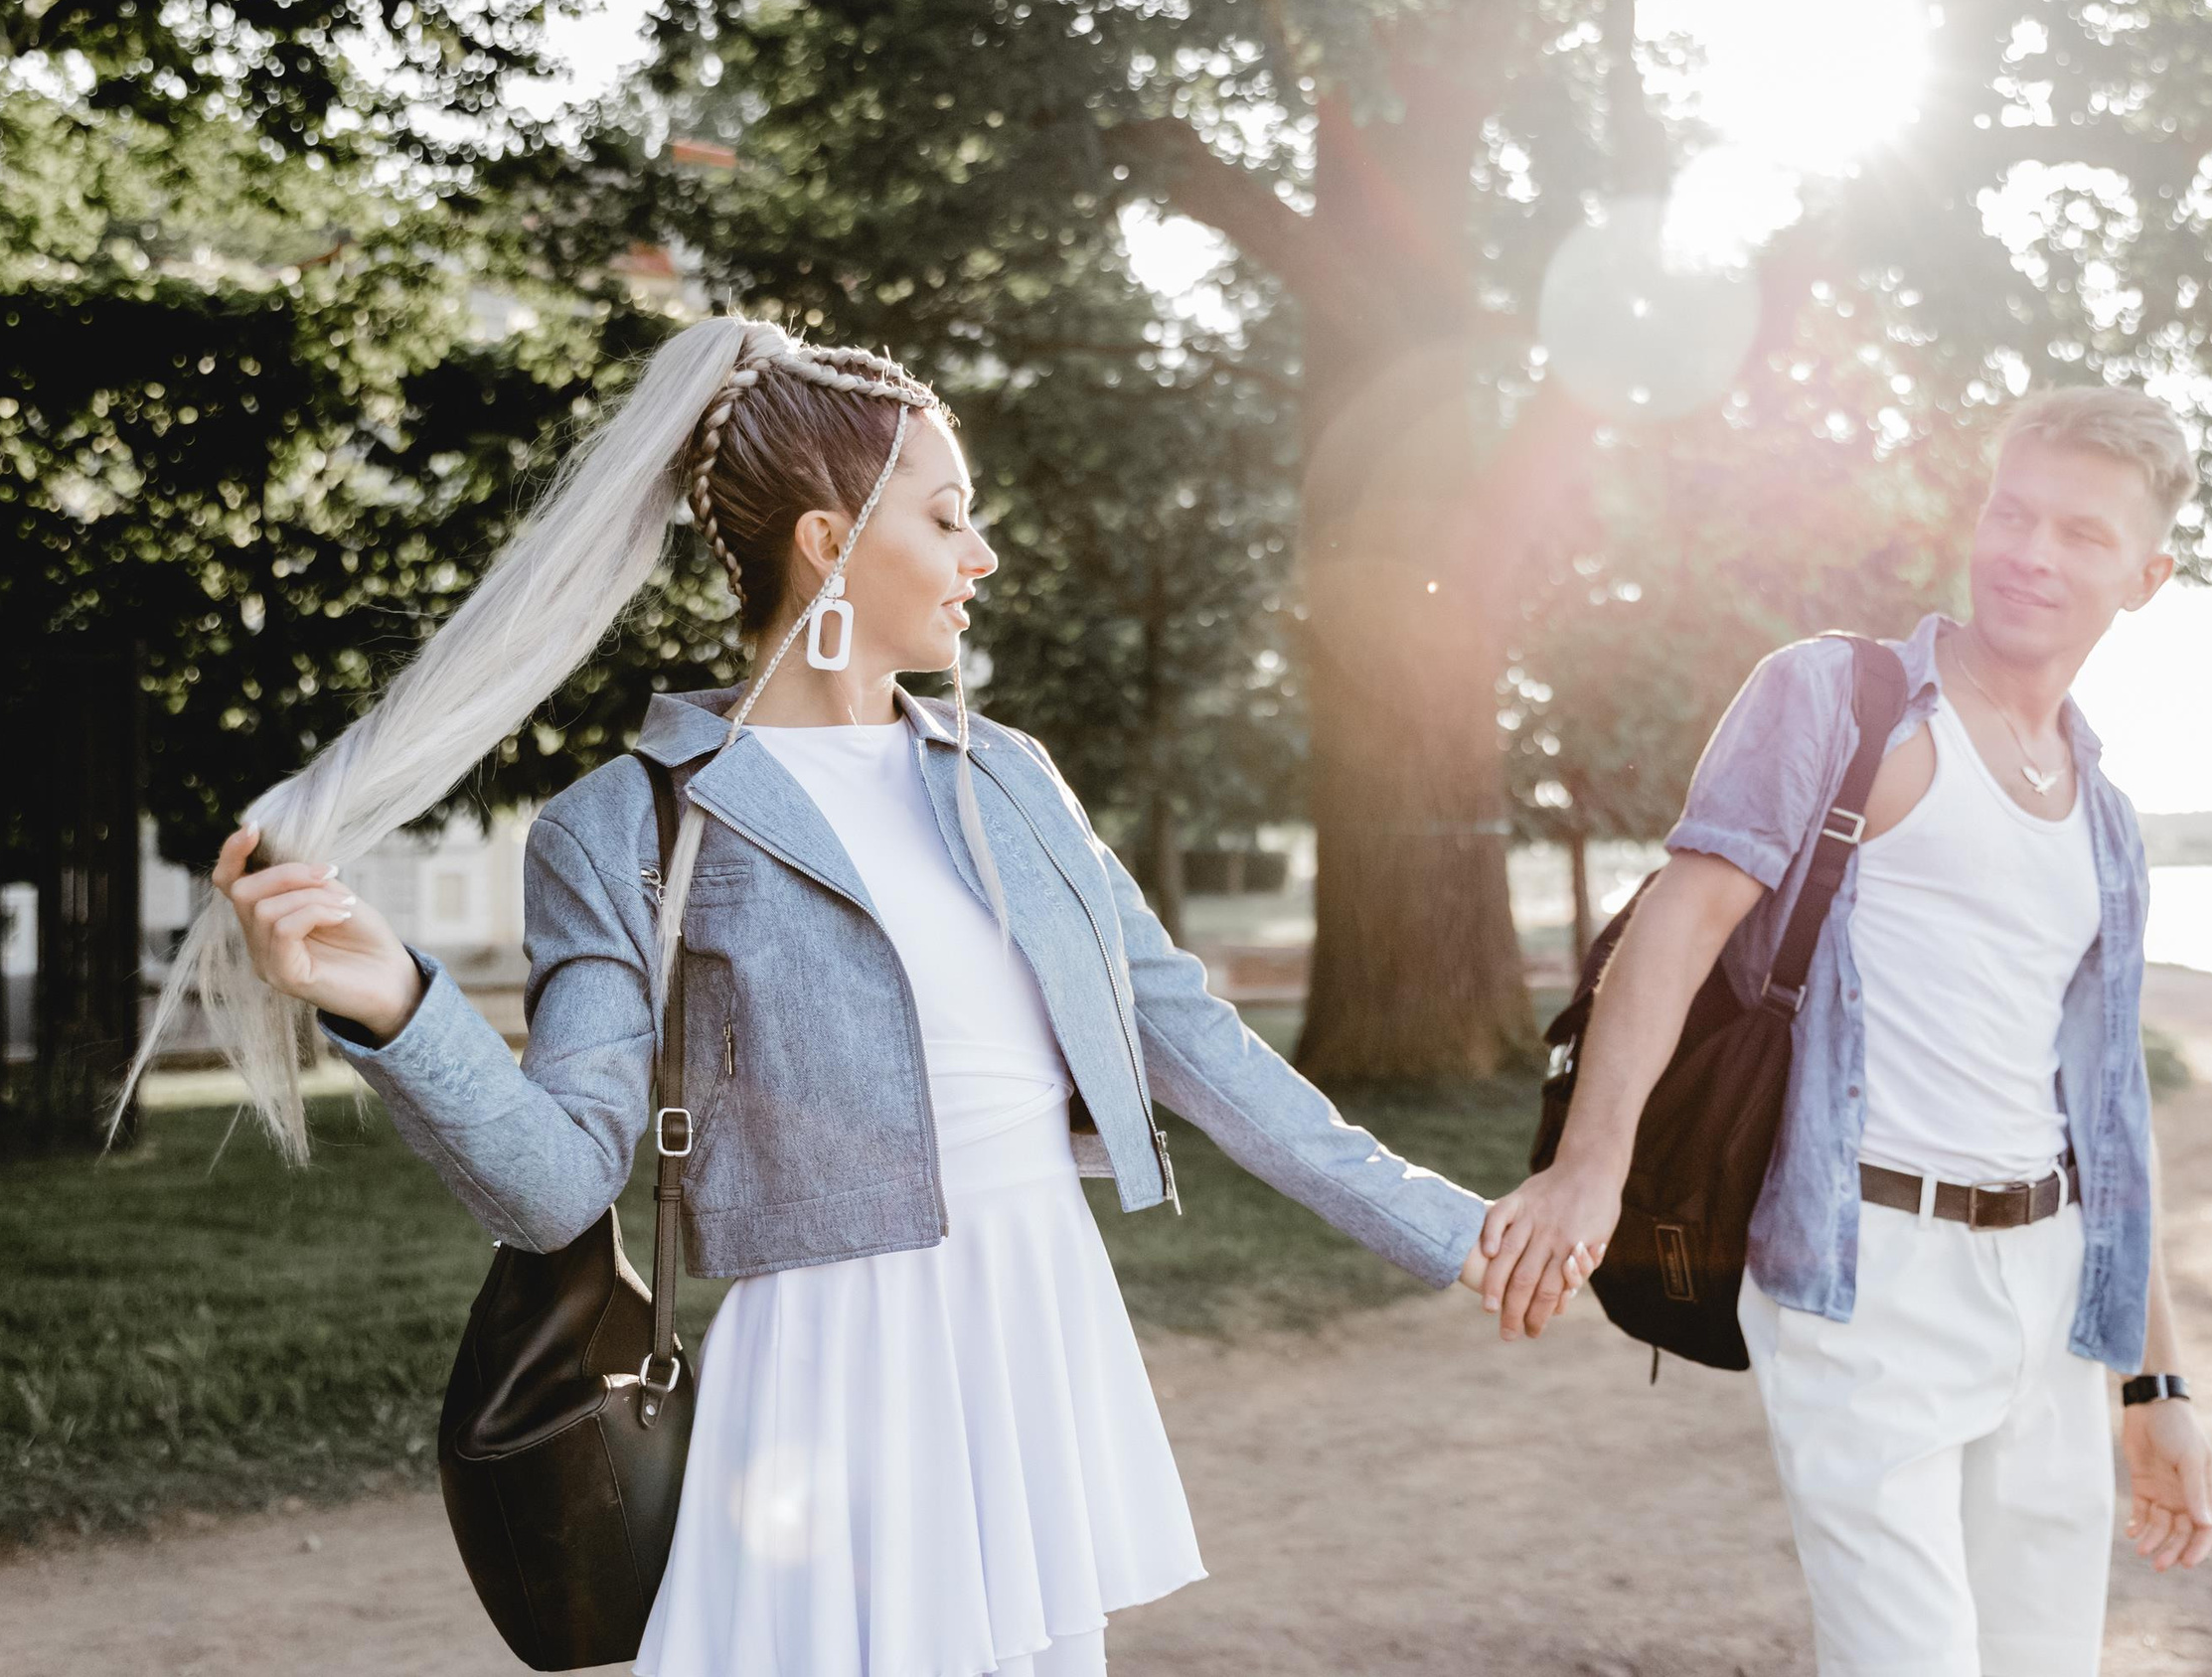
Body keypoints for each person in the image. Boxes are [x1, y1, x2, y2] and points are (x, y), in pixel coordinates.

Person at [145, 316, 1592, 1677]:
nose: (983, 553)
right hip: (833, 1372)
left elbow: (1196, 1046)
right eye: (947, 515)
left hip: (1037, 1328)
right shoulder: (624, 825)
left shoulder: (1011, 779)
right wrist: (393, 999)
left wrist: (1450, 1225)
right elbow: (553, 1187)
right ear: (830, 545)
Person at [1476, 386, 2212, 1675]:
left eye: (2082, 535)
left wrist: (2155, 1385)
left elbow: (2110, 1119)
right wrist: (1588, 1166)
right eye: (2013, 512)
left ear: (2145, 578)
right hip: (1859, 1267)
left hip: (2046, 1290)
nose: (2032, 553)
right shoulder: (1841, 700)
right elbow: (1680, 922)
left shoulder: (2105, 820)